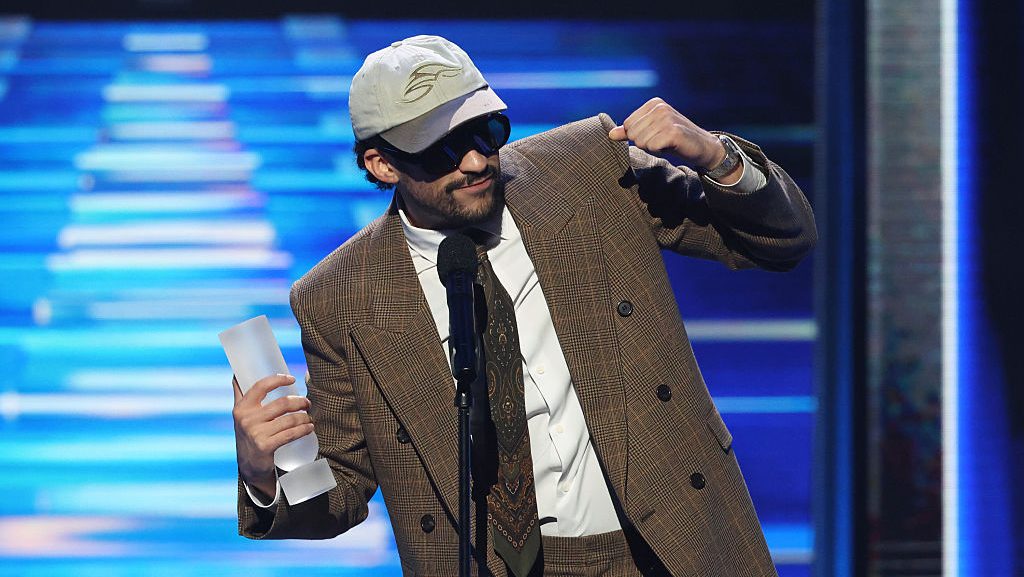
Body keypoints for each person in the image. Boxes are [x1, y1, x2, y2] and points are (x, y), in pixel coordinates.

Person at [231, 35, 816, 577]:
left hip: (668, 543)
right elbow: (337, 497)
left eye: (485, 132)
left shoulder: (586, 171)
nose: (476, 162)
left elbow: (780, 242)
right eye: (441, 150)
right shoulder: (340, 296)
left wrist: (719, 160)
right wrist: (265, 472)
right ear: (382, 165)